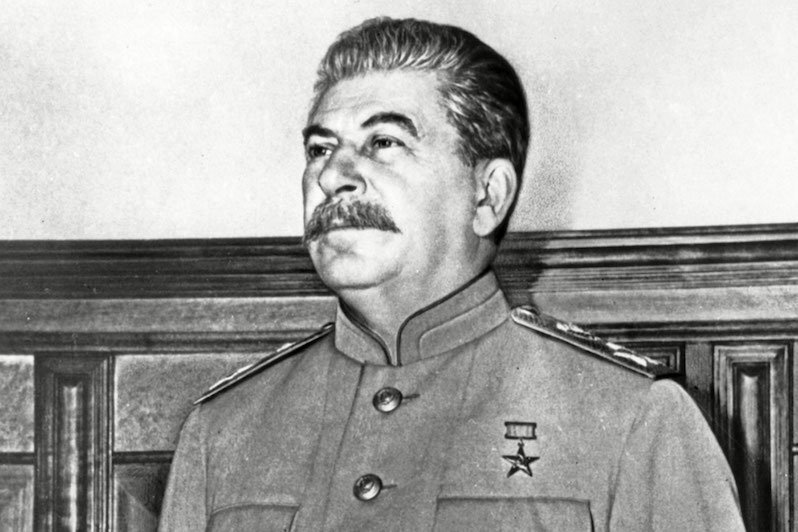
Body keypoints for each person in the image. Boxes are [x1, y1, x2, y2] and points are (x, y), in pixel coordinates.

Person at [159, 17, 745, 531]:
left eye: (384, 142)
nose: (333, 175)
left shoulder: (633, 416)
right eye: (319, 149)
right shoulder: (223, 429)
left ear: (487, 195)